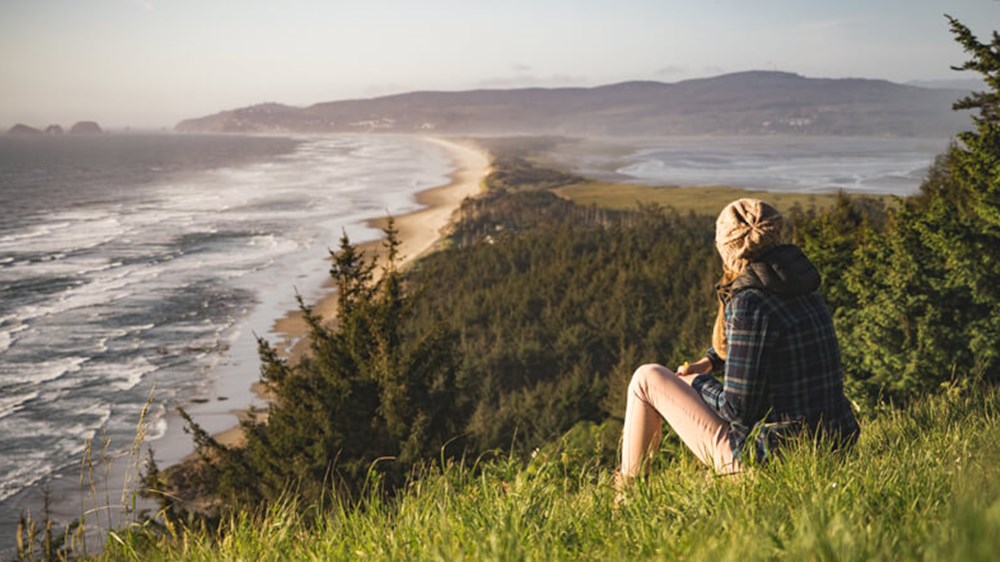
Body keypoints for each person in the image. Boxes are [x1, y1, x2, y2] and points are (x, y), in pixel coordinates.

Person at [619, 198, 860, 478]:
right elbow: (760, 347)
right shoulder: (802, 285)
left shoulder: (750, 302)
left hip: (777, 461)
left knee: (646, 378)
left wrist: (695, 382)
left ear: (728, 250)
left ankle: (628, 493)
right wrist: (708, 361)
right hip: (835, 447)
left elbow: (737, 409)